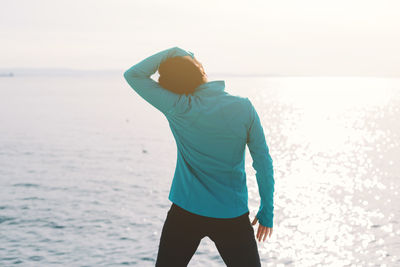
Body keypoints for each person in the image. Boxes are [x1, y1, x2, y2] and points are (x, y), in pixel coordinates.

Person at [123, 46, 275, 266]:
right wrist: (267, 210)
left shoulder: (177, 106)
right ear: (200, 70)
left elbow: (133, 75)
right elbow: (263, 162)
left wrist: (171, 51)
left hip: (185, 212)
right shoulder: (243, 107)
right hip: (231, 214)